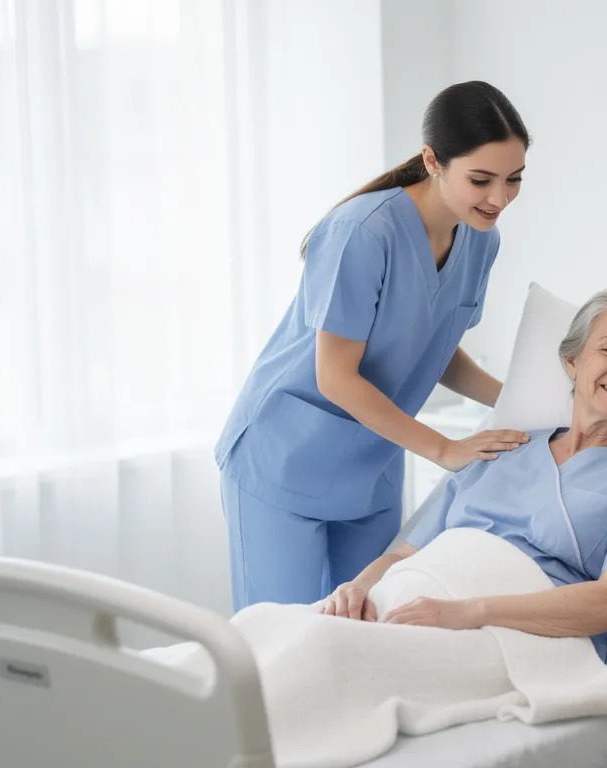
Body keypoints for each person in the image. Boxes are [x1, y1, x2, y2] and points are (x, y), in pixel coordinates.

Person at [214, 82, 533, 612]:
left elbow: (435, 347)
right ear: (432, 161)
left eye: (514, 179)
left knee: (367, 627)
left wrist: (523, 400)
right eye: (481, 180)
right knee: (285, 638)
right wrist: (445, 449)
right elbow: (335, 376)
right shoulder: (362, 231)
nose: (498, 199)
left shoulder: (481, 239)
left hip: (372, 467)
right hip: (284, 461)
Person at [319, 288, 607, 665]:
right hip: (417, 604)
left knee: (336, 669)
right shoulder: (503, 447)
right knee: (303, 641)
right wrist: (357, 587)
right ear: (572, 362)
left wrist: (468, 612)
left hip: (530, 638)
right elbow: (405, 554)